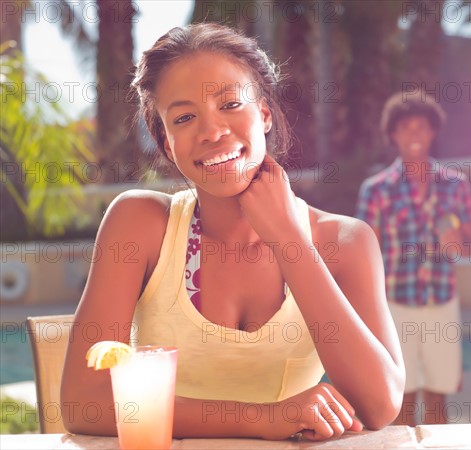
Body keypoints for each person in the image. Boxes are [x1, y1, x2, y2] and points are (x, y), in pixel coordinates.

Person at [61, 22, 404, 441]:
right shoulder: (140, 225)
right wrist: (263, 418)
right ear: (169, 145)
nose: (211, 131)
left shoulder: (344, 242)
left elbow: (380, 404)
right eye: (184, 117)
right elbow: (84, 400)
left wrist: (289, 241)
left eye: (229, 104)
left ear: (263, 115)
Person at [356, 90, 471, 426]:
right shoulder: (376, 190)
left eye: (421, 127)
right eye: (406, 128)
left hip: (441, 302)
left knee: (438, 398)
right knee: (402, 401)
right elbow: (365, 257)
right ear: (392, 134)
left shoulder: (455, 185)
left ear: (433, 132)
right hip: (396, 306)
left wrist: (458, 242)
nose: (414, 135)